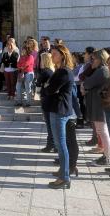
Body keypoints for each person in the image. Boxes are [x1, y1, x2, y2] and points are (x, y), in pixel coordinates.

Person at [42, 44, 75, 189]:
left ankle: (64, 177)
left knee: (61, 145)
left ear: (62, 55)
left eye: (54, 53)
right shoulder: (60, 71)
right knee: (61, 144)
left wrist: (48, 87)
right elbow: (50, 88)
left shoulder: (63, 72)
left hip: (59, 110)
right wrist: (49, 87)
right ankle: (64, 171)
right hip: (58, 109)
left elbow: (49, 89)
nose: (51, 56)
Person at [83, 49, 110, 167]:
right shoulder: (100, 70)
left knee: (102, 131)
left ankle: (108, 157)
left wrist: (85, 85)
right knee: (101, 131)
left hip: (99, 105)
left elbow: (87, 83)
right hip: (97, 104)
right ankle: (107, 155)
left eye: (93, 59)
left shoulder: (102, 70)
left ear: (100, 59)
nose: (91, 61)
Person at [38, 52, 55, 153]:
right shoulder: (52, 70)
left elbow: (38, 84)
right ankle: (52, 144)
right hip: (50, 99)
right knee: (50, 123)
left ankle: (51, 144)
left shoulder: (45, 72)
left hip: (46, 99)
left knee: (49, 124)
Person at [16, 43, 35, 107]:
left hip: (28, 73)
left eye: (23, 50)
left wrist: (21, 66)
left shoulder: (30, 57)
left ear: (27, 50)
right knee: (18, 87)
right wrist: (20, 66)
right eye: (22, 50)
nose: (22, 51)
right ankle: (19, 101)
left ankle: (28, 102)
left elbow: (25, 64)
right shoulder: (21, 57)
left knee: (27, 88)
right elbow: (18, 64)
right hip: (21, 73)